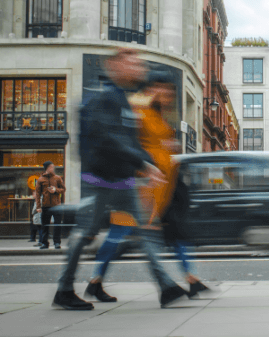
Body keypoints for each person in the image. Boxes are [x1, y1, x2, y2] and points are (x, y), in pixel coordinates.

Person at [53, 48, 187, 311]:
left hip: (123, 180)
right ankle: (64, 289)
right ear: (115, 66)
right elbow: (108, 138)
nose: (140, 68)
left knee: (147, 232)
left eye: (139, 64)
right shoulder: (105, 98)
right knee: (85, 235)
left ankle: (166, 287)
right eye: (133, 63)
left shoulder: (124, 100)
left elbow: (132, 142)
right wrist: (144, 164)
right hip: (100, 180)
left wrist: (148, 164)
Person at [86, 73, 209, 301]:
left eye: (171, 92)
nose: (169, 96)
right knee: (122, 233)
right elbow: (129, 144)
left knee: (138, 233)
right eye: (164, 90)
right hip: (141, 184)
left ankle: (96, 282)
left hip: (162, 186)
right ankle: (164, 287)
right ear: (153, 87)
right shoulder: (138, 107)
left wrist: (170, 147)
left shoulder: (157, 112)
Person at [36, 161, 66, 249]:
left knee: (57, 225)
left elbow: (63, 189)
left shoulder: (57, 178)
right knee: (44, 225)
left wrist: (55, 190)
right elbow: (37, 194)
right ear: (46, 168)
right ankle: (45, 243)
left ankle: (57, 243)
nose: (52, 168)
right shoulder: (40, 179)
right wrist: (38, 206)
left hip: (57, 206)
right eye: (50, 167)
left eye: (53, 167)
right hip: (45, 206)